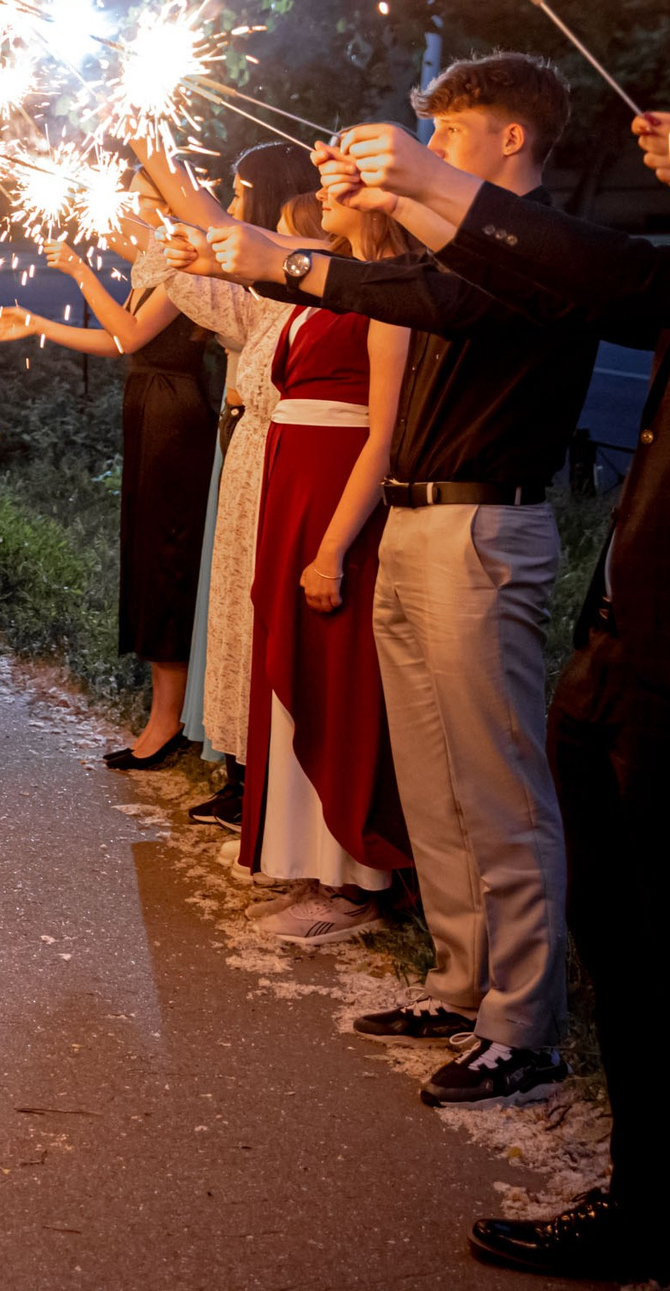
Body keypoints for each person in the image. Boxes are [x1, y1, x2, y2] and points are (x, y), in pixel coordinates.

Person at [316, 107, 670, 1280]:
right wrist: (281, 249)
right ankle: (645, 1181)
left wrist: (418, 189)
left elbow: (548, 280)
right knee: (592, 900)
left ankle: (565, 1086)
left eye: (448, 131)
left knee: (540, 824)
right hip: (626, 621)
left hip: (585, 586)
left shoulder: (566, 255)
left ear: (508, 134)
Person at [187, 53, 593, 1106]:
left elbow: (426, 292)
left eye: (448, 135)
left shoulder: (535, 249)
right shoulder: (458, 243)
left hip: (483, 524)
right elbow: (396, 273)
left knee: (497, 787)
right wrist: (337, 221)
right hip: (414, 522)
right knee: (432, 778)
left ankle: (525, 1025)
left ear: (510, 139)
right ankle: (462, 986)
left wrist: (299, 260)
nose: (429, 155)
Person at [228, 193, 414, 945]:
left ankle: (355, 881)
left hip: (337, 500)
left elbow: (384, 432)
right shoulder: (330, 283)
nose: (324, 194)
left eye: (342, 189)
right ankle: (308, 865)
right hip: (292, 487)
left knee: (337, 683)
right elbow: (224, 234)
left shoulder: (394, 295)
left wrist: (333, 546)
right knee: (291, 670)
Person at [127, 141, 323, 829]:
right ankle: (241, 767)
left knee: (254, 609)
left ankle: (261, 778)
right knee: (233, 608)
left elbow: (211, 241)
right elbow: (219, 297)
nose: (233, 204)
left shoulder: (293, 279)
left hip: (282, 453)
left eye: (243, 194)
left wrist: (152, 149)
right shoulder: (260, 285)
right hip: (243, 443)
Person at [0, 197, 215, 769]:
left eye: (137, 200)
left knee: (167, 556)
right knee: (149, 552)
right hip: (151, 404)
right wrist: (37, 323)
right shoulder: (157, 269)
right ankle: (168, 714)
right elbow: (118, 343)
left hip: (176, 414)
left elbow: (130, 336)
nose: (122, 209)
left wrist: (82, 271)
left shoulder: (185, 270)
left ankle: (171, 722)